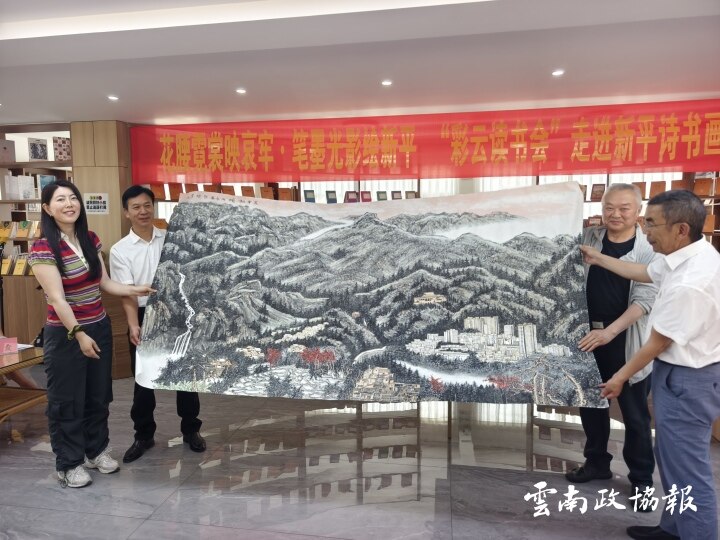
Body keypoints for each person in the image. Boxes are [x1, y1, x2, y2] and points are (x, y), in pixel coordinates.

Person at [582, 190, 720, 540]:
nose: (646, 231)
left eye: (652, 224)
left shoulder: (690, 281)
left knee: (688, 469)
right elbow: (643, 271)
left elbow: (657, 342)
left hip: (689, 378)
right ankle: (672, 528)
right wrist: (597, 258)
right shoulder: (684, 256)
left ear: (681, 229)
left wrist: (619, 377)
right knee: (672, 458)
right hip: (679, 373)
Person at [28, 180, 154, 488]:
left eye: (73, 198)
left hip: (99, 325)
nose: (69, 204)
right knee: (67, 400)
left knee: (98, 396)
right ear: (47, 208)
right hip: (67, 333)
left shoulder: (89, 238)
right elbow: (57, 299)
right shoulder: (43, 247)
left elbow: (105, 283)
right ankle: (69, 463)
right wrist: (79, 334)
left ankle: (96, 451)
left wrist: (134, 289)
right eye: (60, 200)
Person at [566, 184, 658, 500]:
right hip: (588, 337)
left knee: (635, 415)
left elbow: (644, 302)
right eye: (608, 207)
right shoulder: (590, 237)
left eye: (623, 208)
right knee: (591, 405)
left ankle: (642, 482)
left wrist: (609, 333)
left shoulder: (648, 248)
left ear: (638, 211)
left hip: (626, 340)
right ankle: (596, 463)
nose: (615, 214)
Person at [110, 185, 205, 463]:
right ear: (126, 212)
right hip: (143, 315)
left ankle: (191, 430)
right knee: (144, 379)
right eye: (136, 207)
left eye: (147, 205)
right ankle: (143, 435)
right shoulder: (120, 250)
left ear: (153, 207)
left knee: (185, 375)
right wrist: (133, 325)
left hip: (177, 313)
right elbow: (126, 293)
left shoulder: (170, 239)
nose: (143, 211)